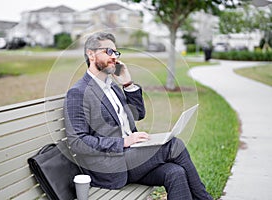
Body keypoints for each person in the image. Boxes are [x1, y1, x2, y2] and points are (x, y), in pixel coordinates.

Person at [64, 32, 213, 200]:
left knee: (175, 172)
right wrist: (123, 142)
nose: (114, 57)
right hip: (111, 165)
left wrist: (127, 83)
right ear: (91, 54)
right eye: (109, 52)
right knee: (174, 145)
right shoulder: (79, 92)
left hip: (131, 157)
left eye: (116, 52)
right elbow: (77, 142)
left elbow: (138, 114)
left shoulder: (112, 86)